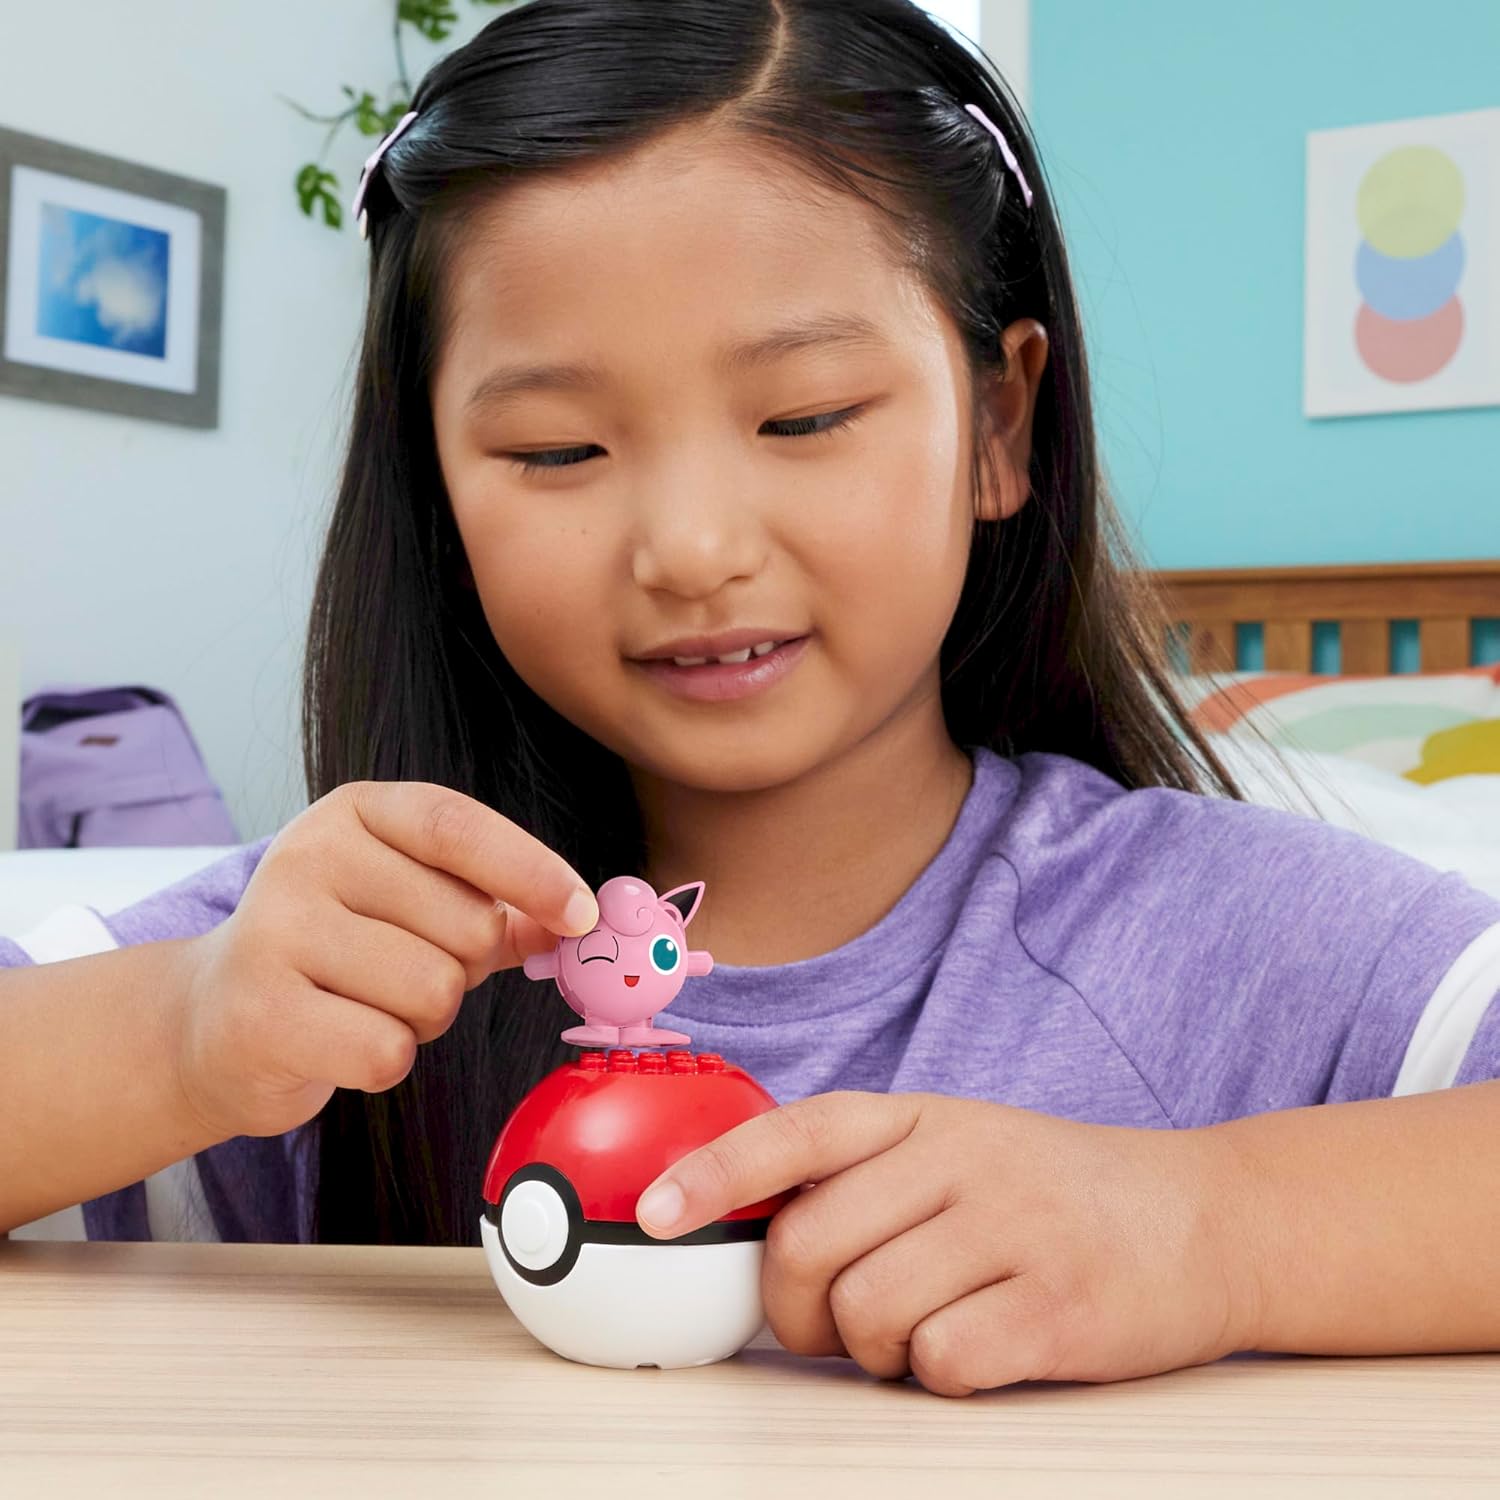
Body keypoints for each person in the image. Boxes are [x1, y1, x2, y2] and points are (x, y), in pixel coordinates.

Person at [3, 0, 1497, 1398]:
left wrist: (1211, 1231)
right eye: (555, 450)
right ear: (435, 491)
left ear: (997, 422)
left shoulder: (1221, 936)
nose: (693, 549)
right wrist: (181, 1033)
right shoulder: (340, 963)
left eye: (805, 417)